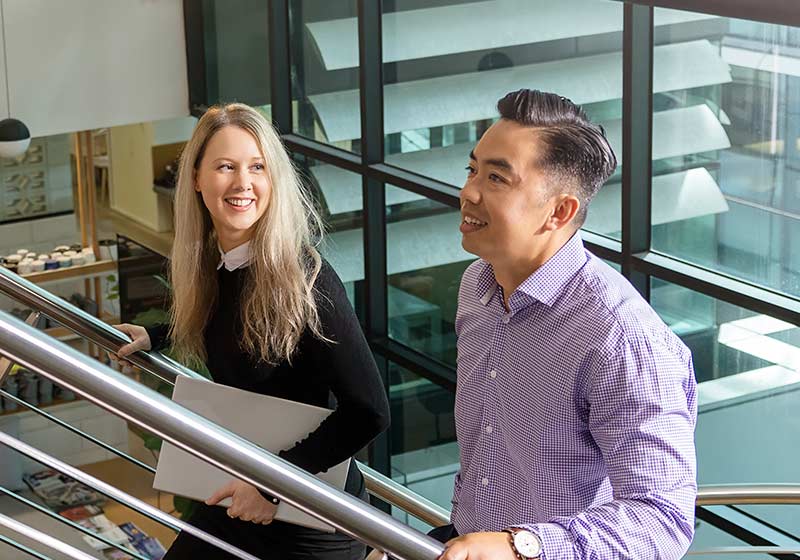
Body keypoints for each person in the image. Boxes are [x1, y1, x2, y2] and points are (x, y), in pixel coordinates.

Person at [113, 103, 390, 560]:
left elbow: (369, 412)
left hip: (307, 508)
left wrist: (273, 486)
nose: (243, 183)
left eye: (257, 167)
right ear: (197, 179)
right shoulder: (219, 267)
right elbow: (224, 320)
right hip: (251, 480)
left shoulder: (306, 279)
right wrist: (155, 336)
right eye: (226, 166)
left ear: (273, 179)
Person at [437, 89, 697, 560]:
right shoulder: (477, 285)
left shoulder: (621, 336)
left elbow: (663, 519)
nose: (469, 192)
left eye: (496, 178)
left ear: (560, 211)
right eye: (472, 169)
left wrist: (520, 546)